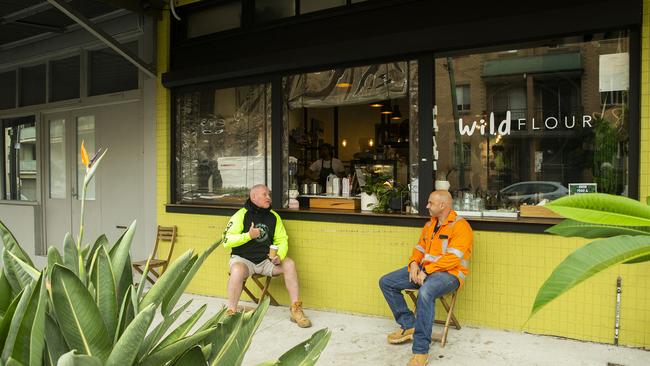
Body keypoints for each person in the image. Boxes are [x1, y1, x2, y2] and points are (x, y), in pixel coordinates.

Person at [379, 190, 473, 366]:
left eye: (430, 203)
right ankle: (409, 325)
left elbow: (453, 258)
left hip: (450, 275)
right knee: (387, 282)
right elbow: (419, 249)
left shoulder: (461, 226)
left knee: (425, 292)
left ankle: (421, 351)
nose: (427, 206)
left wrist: (427, 271)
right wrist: (414, 264)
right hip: (425, 270)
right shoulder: (430, 225)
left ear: (443, 205)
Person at [222, 184, 312, 327]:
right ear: (253, 197)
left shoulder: (274, 217)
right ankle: (231, 311)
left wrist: (279, 256)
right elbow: (226, 241)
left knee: (289, 264)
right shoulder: (240, 215)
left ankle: (295, 308)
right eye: (264, 195)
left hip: (266, 261)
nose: (268, 197)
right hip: (244, 260)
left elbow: (282, 240)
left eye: (268, 195)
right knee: (237, 270)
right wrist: (248, 236)